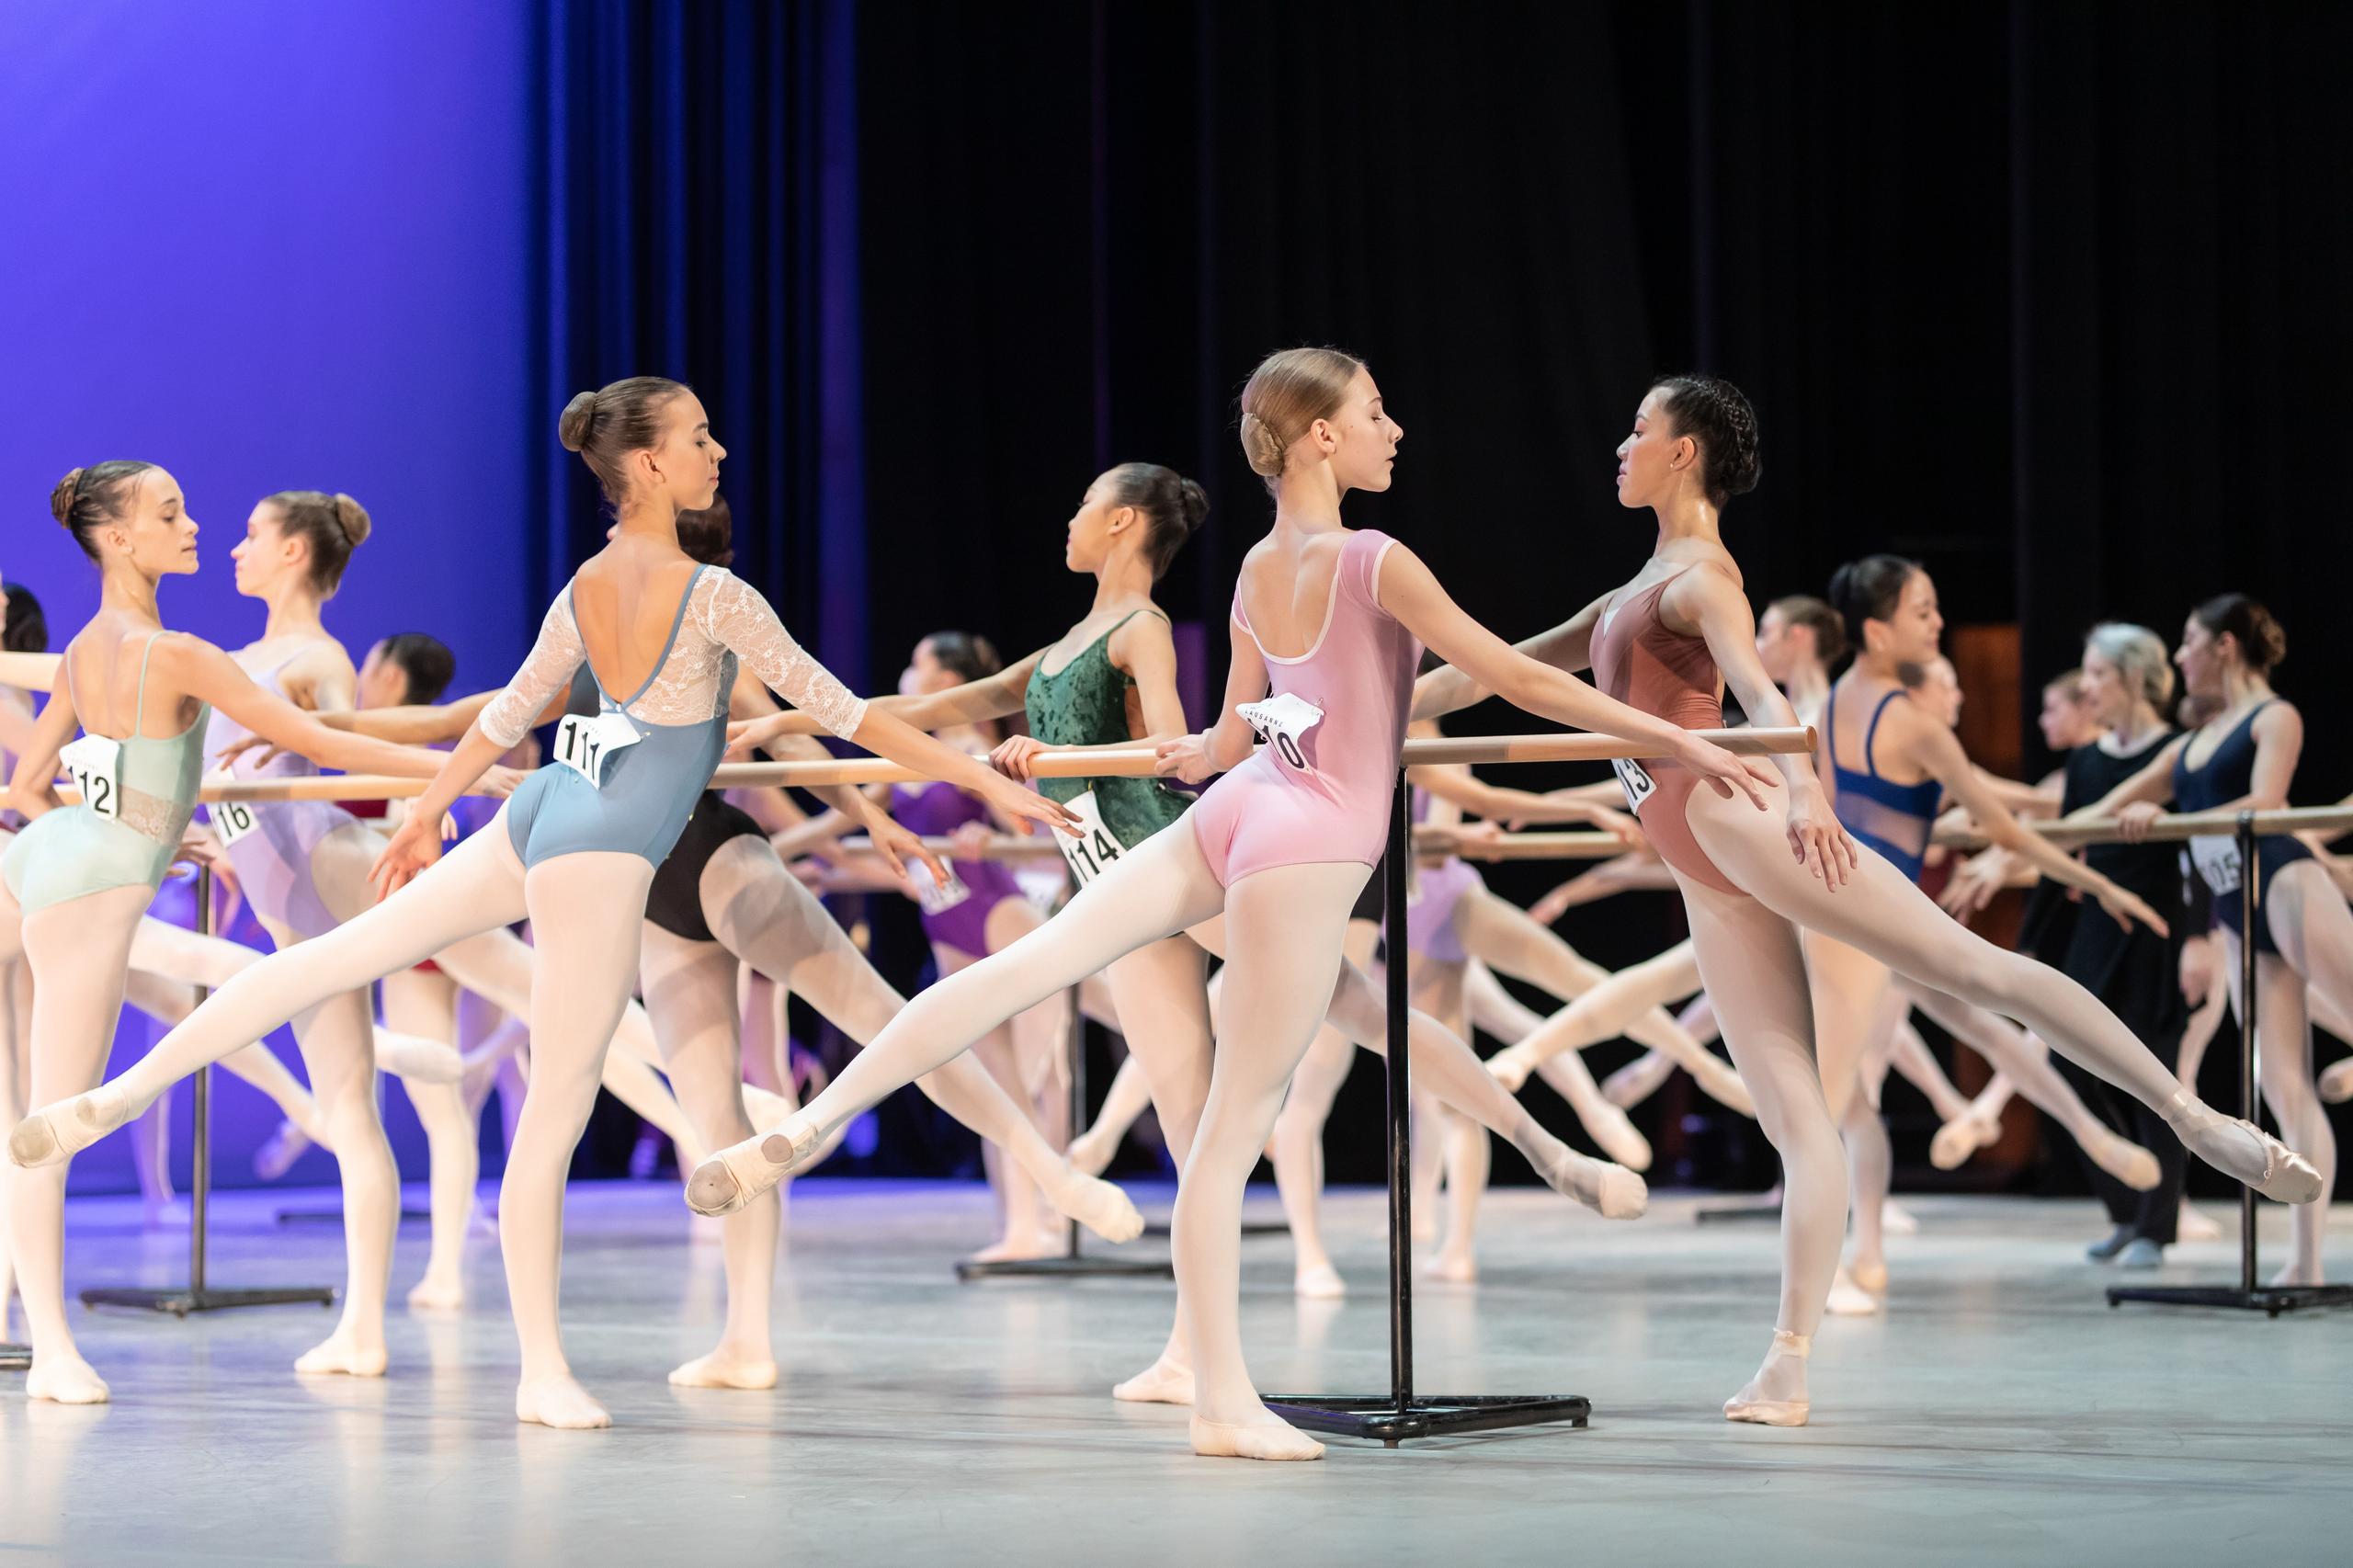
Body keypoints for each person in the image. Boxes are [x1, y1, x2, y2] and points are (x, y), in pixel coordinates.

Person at [691, 347, 1777, 1460]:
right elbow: (1520, 680)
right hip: (1304, 841)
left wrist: (1080, 760)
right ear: (1319, 437)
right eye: (1373, 411)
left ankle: (805, 1126)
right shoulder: (1375, 557)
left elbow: (1217, 746)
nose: (1391, 429)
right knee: (1227, 1133)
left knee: (1018, 973)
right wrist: (1679, 734)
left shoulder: (1261, 563)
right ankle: (1219, 1401)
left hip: (1238, 809)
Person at [11, 378, 1120, 1429]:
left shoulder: (586, 584)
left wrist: (420, 813)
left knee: (335, 963)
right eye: (697, 440)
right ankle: (541, 1368)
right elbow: (847, 714)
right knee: (555, 1107)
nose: (718, 453)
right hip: (598, 852)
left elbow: (506, 725)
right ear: (647, 462)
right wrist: (986, 777)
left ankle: (120, 1094)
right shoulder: (714, 593)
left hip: (543, 811)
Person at [1413, 374, 2320, 1426]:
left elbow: (1764, 696)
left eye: (1636, 429)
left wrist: (1802, 788)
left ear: (1684, 453)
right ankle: (1786, 1364)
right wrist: (1342, 708)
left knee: (1972, 967)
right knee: (1800, 1119)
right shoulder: (1630, 589)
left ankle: (2190, 1114)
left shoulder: (1701, 576)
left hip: (1733, 818)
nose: (1619, 444)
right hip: (1700, 863)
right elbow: (1485, 672)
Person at [1, 462, 454, 1403]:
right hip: (85, 883)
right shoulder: (180, 653)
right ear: (119, 538)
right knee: (51, 1124)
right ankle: (50, 1348)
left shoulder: (91, 645)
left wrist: (144, 833)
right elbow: (328, 746)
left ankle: (49, 1343)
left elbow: (28, 785)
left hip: (60, 865)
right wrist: (458, 775)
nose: (195, 524)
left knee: (42, 1112)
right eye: (172, 513)